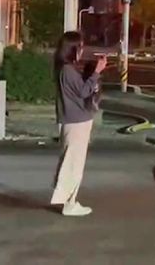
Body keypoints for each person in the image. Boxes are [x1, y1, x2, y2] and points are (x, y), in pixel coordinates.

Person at [51, 31, 106, 217]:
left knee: (71, 162)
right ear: (73, 48)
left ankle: (69, 200)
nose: (82, 50)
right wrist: (96, 73)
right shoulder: (67, 70)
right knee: (73, 163)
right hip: (77, 121)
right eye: (80, 46)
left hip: (74, 120)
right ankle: (69, 203)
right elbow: (83, 92)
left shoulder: (65, 69)